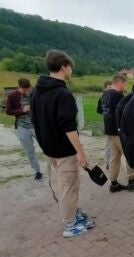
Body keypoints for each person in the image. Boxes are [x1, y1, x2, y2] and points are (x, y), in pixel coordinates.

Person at [31, 49, 95, 238]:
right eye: (70, 68)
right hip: (63, 150)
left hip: (49, 149)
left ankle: (74, 213)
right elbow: (69, 128)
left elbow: (35, 120)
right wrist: (81, 152)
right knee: (68, 186)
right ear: (63, 67)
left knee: (68, 184)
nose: (71, 71)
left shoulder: (37, 92)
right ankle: (70, 225)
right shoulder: (62, 94)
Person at [101, 73, 134, 192]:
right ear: (120, 82)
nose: (124, 86)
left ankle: (114, 183)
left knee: (114, 158)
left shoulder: (105, 95)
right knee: (129, 155)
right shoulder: (118, 95)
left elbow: (102, 111)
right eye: (124, 83)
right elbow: (127, 111)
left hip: (108, 131)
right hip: (118, 132)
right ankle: (131, 182)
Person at [6, 78, 43, 181]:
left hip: (37, 126)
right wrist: (22, 110)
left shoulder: (35, 93)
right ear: (19, 87)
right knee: (29, 151)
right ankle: (37, 171)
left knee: (47, 146)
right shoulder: (12, 96)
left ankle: (55, 168)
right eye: (25, 89)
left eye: (28, 89)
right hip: (22, 127)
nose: (27, 91)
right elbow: (8, 111)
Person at [97, 80, 112, 170]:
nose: (111, 89)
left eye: (112, 87)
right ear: (105, 88)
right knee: (108, 144)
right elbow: (100, 111)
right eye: (109, 87)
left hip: (115, 125)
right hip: (107, 124)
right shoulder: (102, 98)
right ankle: (107, 162)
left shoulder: (115, 96)